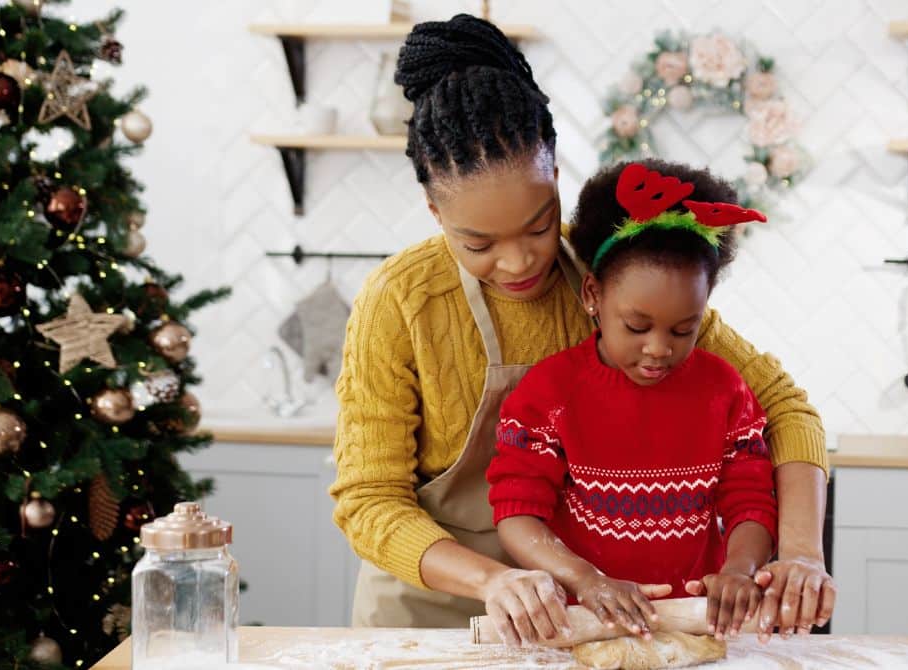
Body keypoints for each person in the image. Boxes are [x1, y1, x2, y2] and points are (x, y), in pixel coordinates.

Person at [328, 13, 833, 648]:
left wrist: (802, 555)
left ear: (557, 178)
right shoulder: (399, 301)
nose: (518, 262)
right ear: (435, 211)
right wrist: (495, 580)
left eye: (539, 227)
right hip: (426, 610)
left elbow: (785, 407)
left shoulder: (611, 278)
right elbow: (369, 499)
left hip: (578, 614)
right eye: (477, 243)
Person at [489, 161, 779, 643]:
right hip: (581, 627)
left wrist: (740, 569)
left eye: (684, 329)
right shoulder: (549, 394)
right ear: (592, 296)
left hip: (694, 627)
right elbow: (518, 514)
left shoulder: (725, 389)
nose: (659, 348)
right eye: (637, 327)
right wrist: (586, 580)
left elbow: (750, 500)